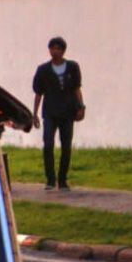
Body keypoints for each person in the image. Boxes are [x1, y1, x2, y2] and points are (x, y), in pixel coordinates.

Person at [31, 37, 85, 191]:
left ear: (63, 51)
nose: (54, 51)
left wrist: (81, 107)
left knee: (66, 146)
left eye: (58, 48)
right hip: (50, 112)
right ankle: (50, 179)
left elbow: (77, 89)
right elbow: (38, 93)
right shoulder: (43, 70)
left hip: (67, 111)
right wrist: (34, 114)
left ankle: (62, 179)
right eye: (52, 48)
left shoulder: (73, 67)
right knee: (48, 144)